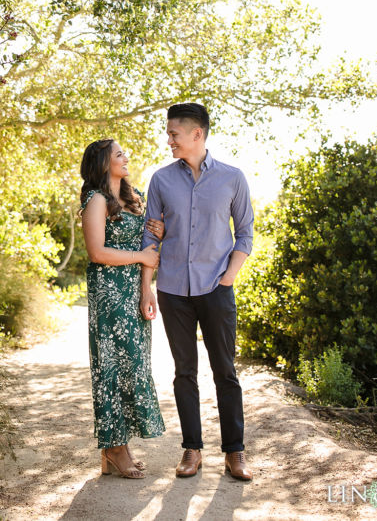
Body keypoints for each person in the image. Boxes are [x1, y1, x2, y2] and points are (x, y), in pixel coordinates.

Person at [140, 103, 254, 481]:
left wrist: (228, 278)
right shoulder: (160, 180)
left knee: (226, 371)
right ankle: (192, 450)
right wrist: (148, 287)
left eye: (173, 133)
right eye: (169, 133)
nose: (169, 140)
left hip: (216, 288)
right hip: (173, 289)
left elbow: (246, 233)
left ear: (196, 135)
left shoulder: (232, 178)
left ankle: (234, 453)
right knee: (184, 372)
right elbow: (149, 238)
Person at [80, 138, 165, 479]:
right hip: (109, 296)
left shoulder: (134, 198)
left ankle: (117, 448)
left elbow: (149, 245)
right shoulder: (96, 200)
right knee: (111, 368)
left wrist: (148, 285)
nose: (126, 157)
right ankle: (115, 449)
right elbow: (97, 252)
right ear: (103, 163)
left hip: (133, 292)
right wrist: (141, 256)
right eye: (118, 154)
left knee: (134, 366)